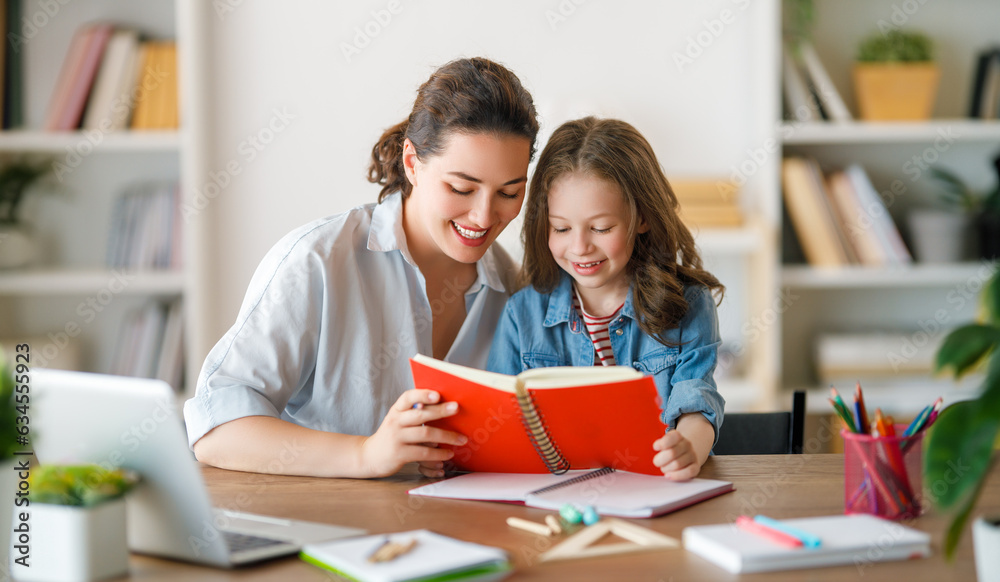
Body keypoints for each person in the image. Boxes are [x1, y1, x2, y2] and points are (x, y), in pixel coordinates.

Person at [184, 58, 539, 479]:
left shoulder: (513, 289)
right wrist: (366, 455)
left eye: (509, 192)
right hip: (323, 530)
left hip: (453, 532)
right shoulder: (318, 261)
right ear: (412, 163)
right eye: (461, 188)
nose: (483, 216)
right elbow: (216, 429)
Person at [486, 116, 725, 481]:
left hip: (649, 488)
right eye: (561, 228)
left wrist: (689, 446)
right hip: (553, 495)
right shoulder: (523, 314)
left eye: (601, 228)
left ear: (641, 217)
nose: (580, 247)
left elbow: (696, 399)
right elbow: (496, 420)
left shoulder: (688, 304)